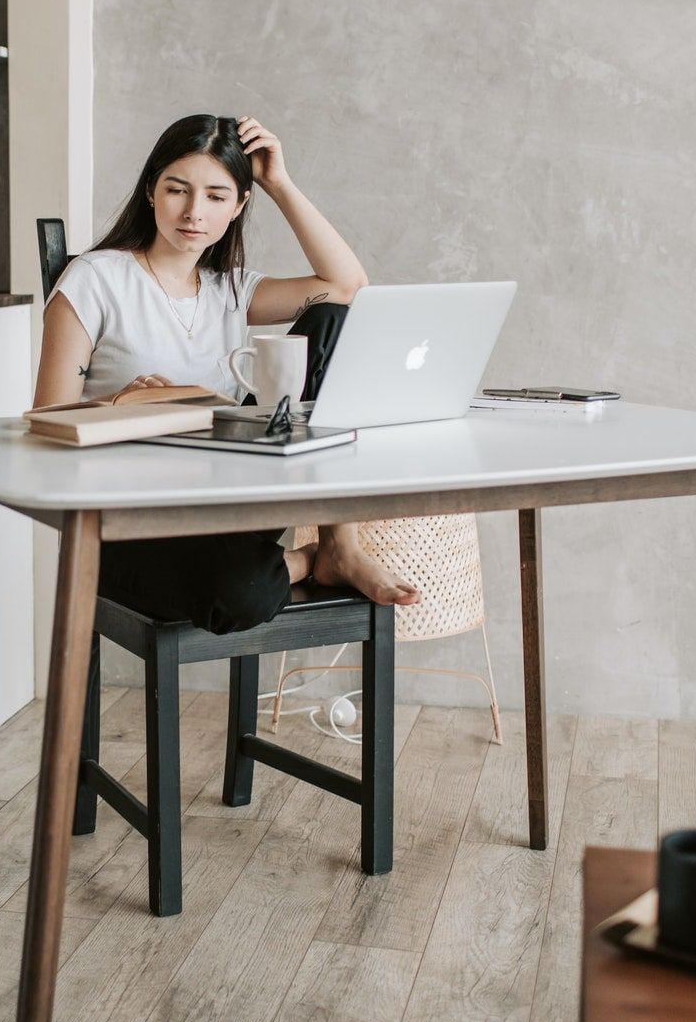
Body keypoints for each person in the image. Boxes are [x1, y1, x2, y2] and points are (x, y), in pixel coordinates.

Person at [33, 113, 420, 634]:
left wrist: (278, 184)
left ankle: (340, 545)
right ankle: (308, 561)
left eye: (217, 196)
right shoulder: (96, 279)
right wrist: (119, 403)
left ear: (238, 207)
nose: (195, 212)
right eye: (178, 190)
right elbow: (46, 421)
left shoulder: (231, 290)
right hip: (130, 524)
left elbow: (347, 285)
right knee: (241, 594)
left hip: (229, 504)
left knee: (332, 320)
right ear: (151, 191)